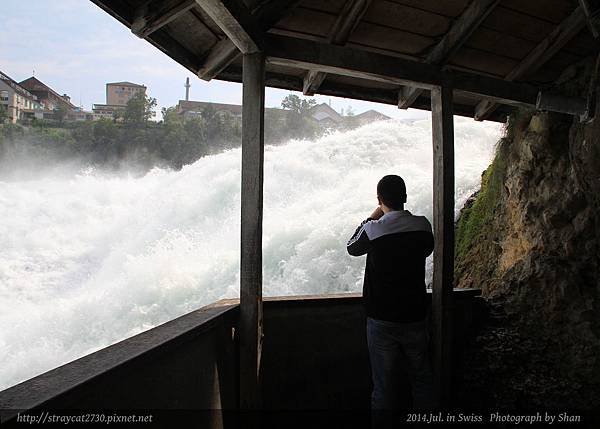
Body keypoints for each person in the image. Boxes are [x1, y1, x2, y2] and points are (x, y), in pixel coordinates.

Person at [346, 174, 435, 415]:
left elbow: (352, 247)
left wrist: (372, 216)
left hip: (382, 319)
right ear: (405, 197)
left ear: (379, 199)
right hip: (415, 316)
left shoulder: (374, 229)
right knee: (422, 381)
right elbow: (427, 250)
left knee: (384, 387)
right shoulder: (423, 225)